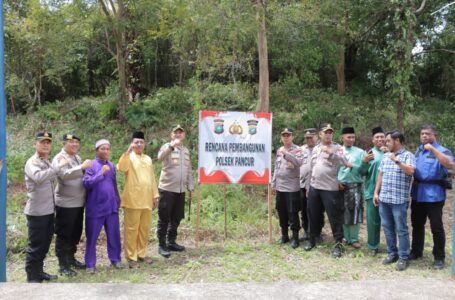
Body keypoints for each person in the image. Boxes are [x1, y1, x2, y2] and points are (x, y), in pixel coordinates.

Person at [304, 123, 352, 258]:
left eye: (330, 132)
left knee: (334, 217)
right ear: (320, 134)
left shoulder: (337, 148)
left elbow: (345, 161)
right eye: (326, 132)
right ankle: (312, 240)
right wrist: (308, 187)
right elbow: (311, 169)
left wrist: (331, 153)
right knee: (312, 215)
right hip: (314, 187)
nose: (328, 134)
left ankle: (338, 244)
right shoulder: (316, 148)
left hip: (330, 189)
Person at [410, 124, 455, 270]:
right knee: (417, 225)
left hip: (434, 194)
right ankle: (416, 251)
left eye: (427, 134)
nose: (424, 136)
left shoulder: (442, 150)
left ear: (434, 135)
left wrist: (433, 150)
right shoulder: (418, 150)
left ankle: (439, 257)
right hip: (417, 193)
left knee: (436, 227)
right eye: (422, 133)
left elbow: (449, 165)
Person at [24, 132, 67, 283]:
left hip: (48, 210)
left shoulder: (47, 162)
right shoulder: (32, 162)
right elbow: (38, 177)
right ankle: (32, 277)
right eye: (42, 142)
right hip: (37, 212)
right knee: (35, 245)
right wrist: (58, 167)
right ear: (35, 144)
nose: (45, 145)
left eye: (48, 142)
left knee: (44, 244)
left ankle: (39, 271)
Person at [374, 130, 415, 271]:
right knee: (387, 228)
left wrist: (396, 160)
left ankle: (404, 257)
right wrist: (376, 192)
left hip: (399, 201)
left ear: (397, 141)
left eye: (388, 141)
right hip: (384, 199)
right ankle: (392, 253)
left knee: (401, 229)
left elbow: (410, 171)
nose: (385, 143)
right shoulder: (385, 156)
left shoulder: (408, 155)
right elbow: (381, 174)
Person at [118, 131, 159, 268]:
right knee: (131, 229)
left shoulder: (148, 159)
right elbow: (121, 168)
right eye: (136, 142)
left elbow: (152, 178)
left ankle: (141, 254)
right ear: (132, 143)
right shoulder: (128, 157)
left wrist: (155, 195)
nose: (139, 144)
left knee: (144, 228)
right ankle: (131, 257)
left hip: (147, 199)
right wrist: (127, 151)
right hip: (133, 199)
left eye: (141, 142)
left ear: (144, 144)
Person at [52, 133, 92, 276]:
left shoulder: (76, 157)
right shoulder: (59, 158)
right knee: (64, 234)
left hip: (78, 202)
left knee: (75, 233)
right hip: (65, 203)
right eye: (71, 142)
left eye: (76, 142)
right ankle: (62, 264)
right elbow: (63, 175)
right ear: (64, 143)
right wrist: (81, 167)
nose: (74, 144)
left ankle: (71, 258)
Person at [83, 139, 122, 273]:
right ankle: (90, 264)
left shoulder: (111, 165)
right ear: (97, 151)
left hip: (111, 207)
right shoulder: (91, 165)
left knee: (114, 235)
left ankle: (115, 259)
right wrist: (101, 173)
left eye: (107, 149)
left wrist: (117, 198)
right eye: (102, 149)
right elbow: (87, 184)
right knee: (92, 237)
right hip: (95, 208)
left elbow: (113, 183)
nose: (105, 151)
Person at [156, 125, 194, 257]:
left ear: (184, 135)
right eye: (175, 132)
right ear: (171, 135)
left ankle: (171, 242)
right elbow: (160, 157)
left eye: (181, 133)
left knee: (177, 217)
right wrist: (172, 146)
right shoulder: (167, 147)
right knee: (164, 218)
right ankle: (161, 245)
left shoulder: (186, 151)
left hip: (181, 190)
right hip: (167, 188)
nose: (178, 135)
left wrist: (190, 187)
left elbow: (188, 170)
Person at [272, 128, 304, 249]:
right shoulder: (279, 150)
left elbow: (299, 162)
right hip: (280, 187)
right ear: (281, 138)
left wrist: (286, 154)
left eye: (288, 135)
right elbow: (277, 167)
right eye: (284, 135)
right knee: (282, 212)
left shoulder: (298, 150)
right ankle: (284, 236)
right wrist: (273, 183)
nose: (286, 137)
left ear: (292, 137)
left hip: (292, 187)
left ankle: (295, 238)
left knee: (293, 213)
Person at [337, 127, 367, 249]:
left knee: (355, 212)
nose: (351, 139)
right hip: (340, 186)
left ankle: (354, 238)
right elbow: (332, 169)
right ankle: (344, 236)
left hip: (355, 186)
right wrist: (336, 181)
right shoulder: (338, 151)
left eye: (353, 137)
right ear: (342, 138)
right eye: (348, 137)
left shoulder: (360, 152)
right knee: (342, 212)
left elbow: (364, 170)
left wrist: (362, 164)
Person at [363, 126, 387, 256]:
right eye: (377, 137)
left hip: (389, 192)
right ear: (373, 140)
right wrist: (364, 162)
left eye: (382, 137)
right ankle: (373, 246)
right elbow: (361, 172)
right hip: (372, 191)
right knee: (373, 221)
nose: (380, 139)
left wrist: (389, 152)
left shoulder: (390, 152)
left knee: (390, 220)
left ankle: (392, 246)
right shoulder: (369, 153)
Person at [299, 128, 318, 241]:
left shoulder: (320, 149)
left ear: (316, 137)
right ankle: (306, 231)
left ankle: (316, 233)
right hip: (302, 184)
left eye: (311, 137)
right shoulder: (301, 149)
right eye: (307, 138)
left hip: (317, 184)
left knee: (316, 210)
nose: (309, 139)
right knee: (304, 209)